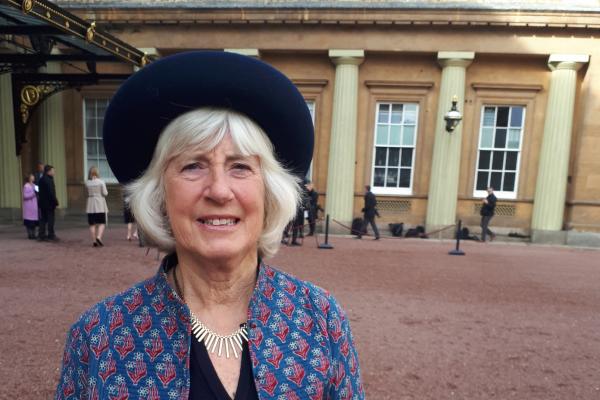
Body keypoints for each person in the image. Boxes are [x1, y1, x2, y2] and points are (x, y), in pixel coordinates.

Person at [56, 51, 363, 400]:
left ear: (268, 191)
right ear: (160, 194)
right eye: (192, 166)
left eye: (240, 167)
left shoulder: (321, 320)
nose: (218, 189)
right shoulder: (99, 337)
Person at [85, 166, 109, 247]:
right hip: (100, 204)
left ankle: (94, 240)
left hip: (90, 204)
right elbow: (105, 193)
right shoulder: (101, 182)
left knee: (92, 224)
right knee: (102, 222)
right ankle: (99, 237)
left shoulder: (87, 183)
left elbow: (86, 193)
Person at [38, 165, 59, 241]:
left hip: (42, 203)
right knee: (50, 219)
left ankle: (41, 235)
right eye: (53, 171)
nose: (54, 172)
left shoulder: (41, 179)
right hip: (49, 203)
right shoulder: (49, 180)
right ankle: (51, 235)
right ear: (48, 171)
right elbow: (51, 192)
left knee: (43, 219)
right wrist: (55, 202)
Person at [22, 173, 38, 239]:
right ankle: (30, 234)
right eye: (32, 176)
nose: (33, 177)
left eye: (33, 176)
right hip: (28, 206)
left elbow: (38, 193)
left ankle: (34, 234)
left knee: (34, 222)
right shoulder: (26, 186)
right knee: (29, 222)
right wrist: (33, 193)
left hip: (34, 206)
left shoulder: (35, 185)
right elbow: (25, 196)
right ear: (29, 178)